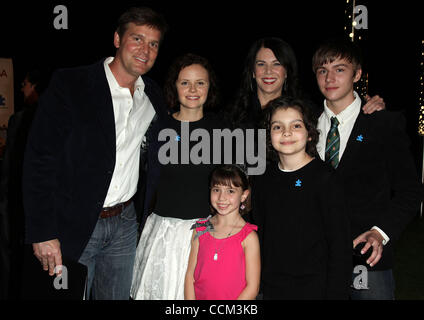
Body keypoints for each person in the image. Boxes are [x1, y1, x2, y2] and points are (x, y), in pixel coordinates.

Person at [22, 7, 168, 300]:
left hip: (125, 224)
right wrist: (42, 231)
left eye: (153, 44)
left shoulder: (153, 96)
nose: (145, 50)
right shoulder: (71, 84)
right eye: (137, 39)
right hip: (72, 224)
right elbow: (39, 160)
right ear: (117, 38)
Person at [312, 38, 422, 299]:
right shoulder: (303, 124)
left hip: (367, 260)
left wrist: (380, 233)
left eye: (340, 69)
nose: (330, 77)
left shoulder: (383, 123)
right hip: (316, 260)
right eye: (322, 70)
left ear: (357, 74)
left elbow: (409, 191)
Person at [131, 53, 226, 300]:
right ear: (174, 86)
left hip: (206, 234)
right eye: (185, 82)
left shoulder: (222, 130)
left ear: (210, 87)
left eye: (200, 82)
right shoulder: (157, 128)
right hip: (164, 235)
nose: (192, 89)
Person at [252, 96, 352, 299]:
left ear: (309, 133)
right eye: (277, 127)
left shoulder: (325, 179)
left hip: (315, 288)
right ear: (268, 134)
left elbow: (339, 246)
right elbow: (261, 234)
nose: (286, 132)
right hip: (273, 287)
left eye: (296, 125)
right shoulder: (263, 179)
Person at [228, 37, 385, 130]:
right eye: (261, 64)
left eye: (276, 64)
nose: (268, 71)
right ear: (253, 72)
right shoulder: (231, 117)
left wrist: (370, 107)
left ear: (287, 71)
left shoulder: (309, 114)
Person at [0, 69, 50, 299]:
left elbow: (10, 166)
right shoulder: (55, 117)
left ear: (35, 86)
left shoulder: (21, 118)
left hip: (16, 200)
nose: (22, 88)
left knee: (12, 256)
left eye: (25, 83)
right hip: (39, 203)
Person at [184, 164, 260, 300]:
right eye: (216, 189)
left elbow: (253, 287)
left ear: (244, 195)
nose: (221, 197)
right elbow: (190, 275)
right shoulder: (200, 228)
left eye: (230, 191)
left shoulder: (248, 237)